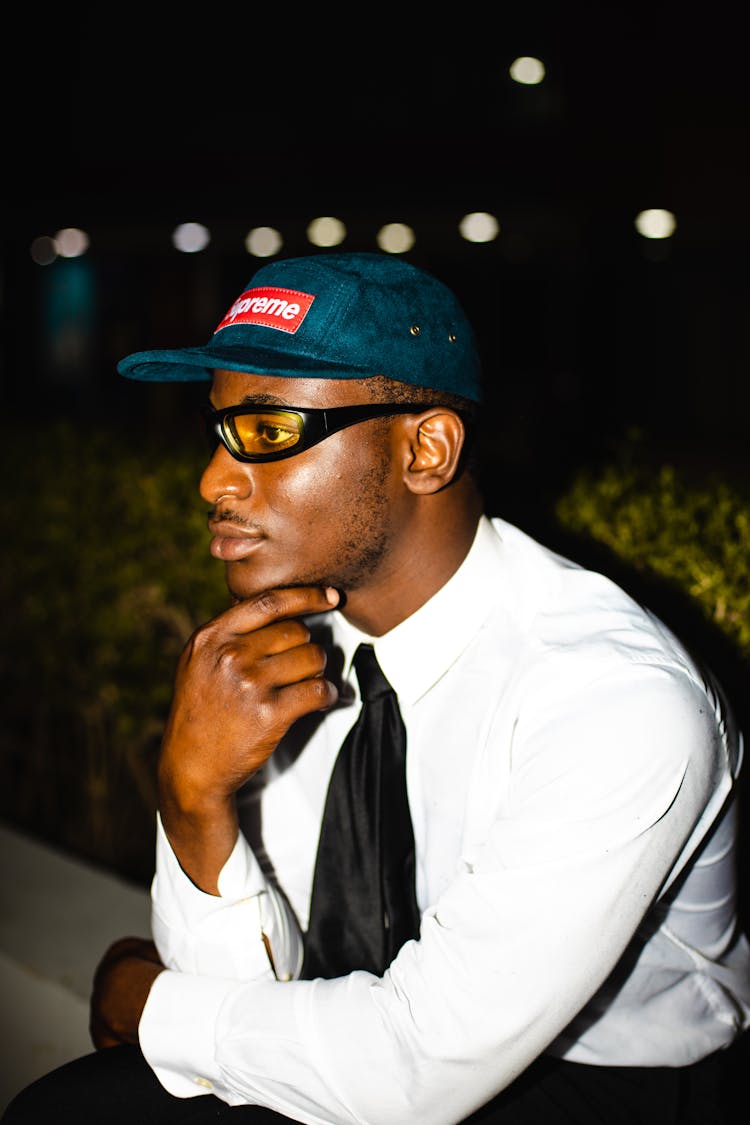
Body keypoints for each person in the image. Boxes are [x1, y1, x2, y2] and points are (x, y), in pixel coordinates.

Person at [4, 251, 749, 1124]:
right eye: (216, 429)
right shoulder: (290, 648)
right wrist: (191, 795)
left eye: (270, 430)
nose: (212, 481)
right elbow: (245, 1020)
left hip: (601, 1086)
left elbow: (417, 1069)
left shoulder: (613, 698)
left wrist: (150, 1004)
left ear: (424, 447)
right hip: (389, 1050)